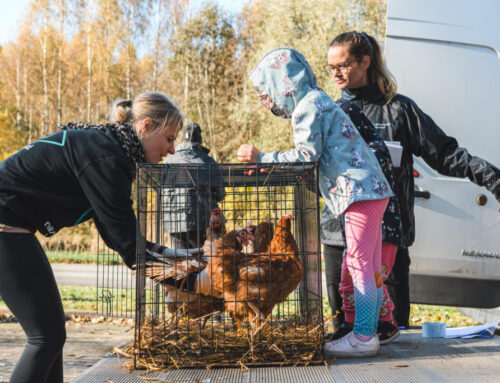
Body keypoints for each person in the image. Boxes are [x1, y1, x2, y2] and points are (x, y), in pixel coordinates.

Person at [0, 91, 184, 383]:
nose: (173, 149)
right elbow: (127, 246)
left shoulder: (108, 148)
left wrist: (176, 256)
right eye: (170, 138)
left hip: (12, 226)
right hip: (5, 226)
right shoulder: (108, 157)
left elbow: (115, 234)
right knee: (45, 337)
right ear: (146, 127)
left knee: (50, 335)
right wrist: (193, 281)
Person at [326, 31, 500, 329]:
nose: (336, 73)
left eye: (343, 65)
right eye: (331, 67)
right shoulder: (330, 113)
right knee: (344, 331)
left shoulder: (399, 110)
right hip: (337, 235)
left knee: (394, 333)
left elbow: (444, 154)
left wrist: (493, 178)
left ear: (365, 62)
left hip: (389, 236)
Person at [237, 47, 394, 358]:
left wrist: (263, 158)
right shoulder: (319, 99)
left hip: (357, 192)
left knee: (359, 263)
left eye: (267, 91)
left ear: (282, 85)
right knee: (370, 265)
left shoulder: (306, 107)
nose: (266, 100)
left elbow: (307, 155)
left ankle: (363, 337)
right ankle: (371, 331)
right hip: (372, 191)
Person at [325, 99, 403, 345]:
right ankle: (352, 324)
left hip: (384, 229)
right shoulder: (356, 151)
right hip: (367, 228)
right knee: (350, 278)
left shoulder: (370, 153)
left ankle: (383, 324)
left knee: (370, 275)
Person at [163, 123, 225, 249]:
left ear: (181, 139)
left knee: (180, 262)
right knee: (202, 261)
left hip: (174, 221)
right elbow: (220, 194)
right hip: (202, 221)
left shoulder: (168, 162)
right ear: (199, 141)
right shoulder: (208, 161)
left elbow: (162, 193)